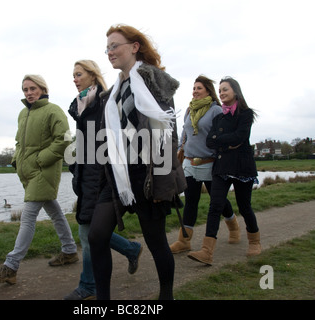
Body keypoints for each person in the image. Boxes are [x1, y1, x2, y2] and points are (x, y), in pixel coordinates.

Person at [88, 24, 187, 300]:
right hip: (119, 176)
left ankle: (166, 296)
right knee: (96, 236)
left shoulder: (156, 80)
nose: (109, 52)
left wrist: (163, 183)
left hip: (148, 174)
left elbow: (168, 135)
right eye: (106, 48)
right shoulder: (112, 93)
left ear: (134, 47)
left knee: (156, 242)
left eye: (114, 45)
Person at [0, 74, 78, 285]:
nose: (28, 93)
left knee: (27, 218)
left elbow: (64, 139)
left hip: (44, 171)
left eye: (32, 89)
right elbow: (19, 142)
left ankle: (11, 267)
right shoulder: (22, 114)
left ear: (43, 89)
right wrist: (16, 160)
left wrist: (40, 159)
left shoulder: (53, 110)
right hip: (28, 172)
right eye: (25, 90)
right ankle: (70, 250)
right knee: (55, 212)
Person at [65, 60, 142, 300]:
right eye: (73, 75)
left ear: (92, 75)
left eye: (79, 74)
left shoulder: (106, 101)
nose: (75, 79)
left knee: (88, 234)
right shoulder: (81, 105)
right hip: (86, 174)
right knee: (90, 232)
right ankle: (131, 248)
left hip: (103, 176)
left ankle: (89, 284)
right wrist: (76, 164)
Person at [188, 76, 261, 265]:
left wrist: (223, 141)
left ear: (235, 92)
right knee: (215, 206)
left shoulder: (246, 114)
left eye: (225, 90)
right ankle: (206, 251)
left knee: (244, 206)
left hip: (242, 167)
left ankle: (254, 241)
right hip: (222, 166)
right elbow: (210, 140)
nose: (221, 93)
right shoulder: (220, 116)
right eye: (220, 90)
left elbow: (241, 136)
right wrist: (228, 143)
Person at [170, 75, 237, 254]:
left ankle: (234, 226)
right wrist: (178, 150)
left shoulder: (216, 110)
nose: (195, 91)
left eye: (199, 88)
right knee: (191, 200)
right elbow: (185, 133)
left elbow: (222, 134)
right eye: (193, 88)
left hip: (209, 162)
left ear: (208, 90)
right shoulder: (189, 110)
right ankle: (184, 241)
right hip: (190, 162)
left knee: (219, 201)